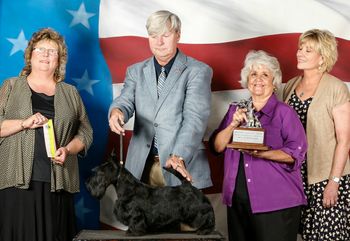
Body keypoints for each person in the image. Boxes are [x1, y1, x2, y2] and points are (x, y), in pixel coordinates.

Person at [0, 28, 93, 241]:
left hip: (57, 182)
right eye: (40, 49)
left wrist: (68, 149)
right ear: (30, 54)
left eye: (52, 51)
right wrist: (24, 123)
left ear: (59, 59)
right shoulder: (11, 86)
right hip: (16, 183)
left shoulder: (70, 93)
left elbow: (86, 132)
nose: (45, 55)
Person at [210, 50, 307, 241]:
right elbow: (217, 147)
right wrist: (232, 124)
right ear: (247, 79)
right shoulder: (235, 110)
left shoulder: (284, 113)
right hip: (237, 201)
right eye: (253, 74)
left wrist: (263, 154)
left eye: (265, 75)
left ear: (274, 82)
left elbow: (296, 154)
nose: (258, 79)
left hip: (276, 202)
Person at [108, 10, 212, 189]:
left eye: (165, 35)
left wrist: (179, 155)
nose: (159, 42)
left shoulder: (197, 71)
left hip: (179, 165)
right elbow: (125, 100)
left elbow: (195, 119)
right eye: (154, 36)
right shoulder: (135, 71)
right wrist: (117, 111)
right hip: (141, 168)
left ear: (178, 35)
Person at [283, 29, 350, 241]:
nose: (300, 53)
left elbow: (344, 140)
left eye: (308, 50)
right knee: (299, 234)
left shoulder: (336, 88)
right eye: (300, 48)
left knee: (326, 236)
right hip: (295, 176)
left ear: (323, 57)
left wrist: (334, 182)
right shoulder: (290, 85)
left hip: (325, 176)